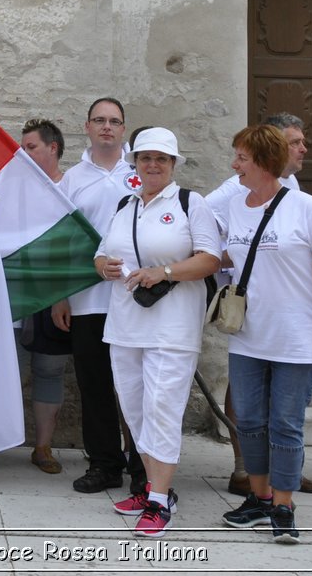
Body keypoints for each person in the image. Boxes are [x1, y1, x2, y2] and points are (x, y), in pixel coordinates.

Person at [217, 124, 312, 545]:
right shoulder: (235, 207)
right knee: (250, 422)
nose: (234, 165)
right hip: (248, 337)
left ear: (265, 162)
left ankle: (284, 507)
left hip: (297, 338)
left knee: (286, 425)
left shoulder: (306, 208)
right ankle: (258, 498)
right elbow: (219, 254)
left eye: (242, 158)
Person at [96, 127, 222, 538]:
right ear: (135, 163)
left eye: (161, 159)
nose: (152, 165)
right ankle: (153, 488)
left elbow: (210, 259)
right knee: (134, 412)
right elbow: (101, 252)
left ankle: (159, 498)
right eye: (146, 158)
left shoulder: (190, 203)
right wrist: (104, 267)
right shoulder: (124, 204)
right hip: (125, 324)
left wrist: (163, 272)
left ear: (172, 165)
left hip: (172, 328)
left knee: (162, 410)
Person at [205, 111, 312, 496]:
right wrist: (223, 260)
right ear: (270, 146)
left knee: (284, 409)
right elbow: (200, 230)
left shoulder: (296, 190)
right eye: (294, 141)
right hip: (251, 315)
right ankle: (245, 470)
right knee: (248, 397)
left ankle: (281, 473)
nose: (303, 148)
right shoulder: (231, 193)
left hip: (291, 317)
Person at [0, 118, 75, 479]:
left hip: (53, 293)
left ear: (53, 148)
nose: (23, 154)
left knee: (49, 370)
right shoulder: (8, 187)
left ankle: (42, 446)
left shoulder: (71, 188)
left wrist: (65, 295)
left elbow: (77, 246)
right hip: (10, 293)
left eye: (30, 147)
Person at [60, 96, 144, 495]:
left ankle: (143, 464)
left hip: (136, 298)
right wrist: (61, 295)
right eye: (100, 120)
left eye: (114, 121)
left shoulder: (141, 173)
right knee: (94, 384)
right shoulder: (71, 180)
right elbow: (62, 241)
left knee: (137, 385)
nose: (107, 127)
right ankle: (104, 463)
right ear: (87, 127)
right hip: (87, 299)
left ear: (124, 129)